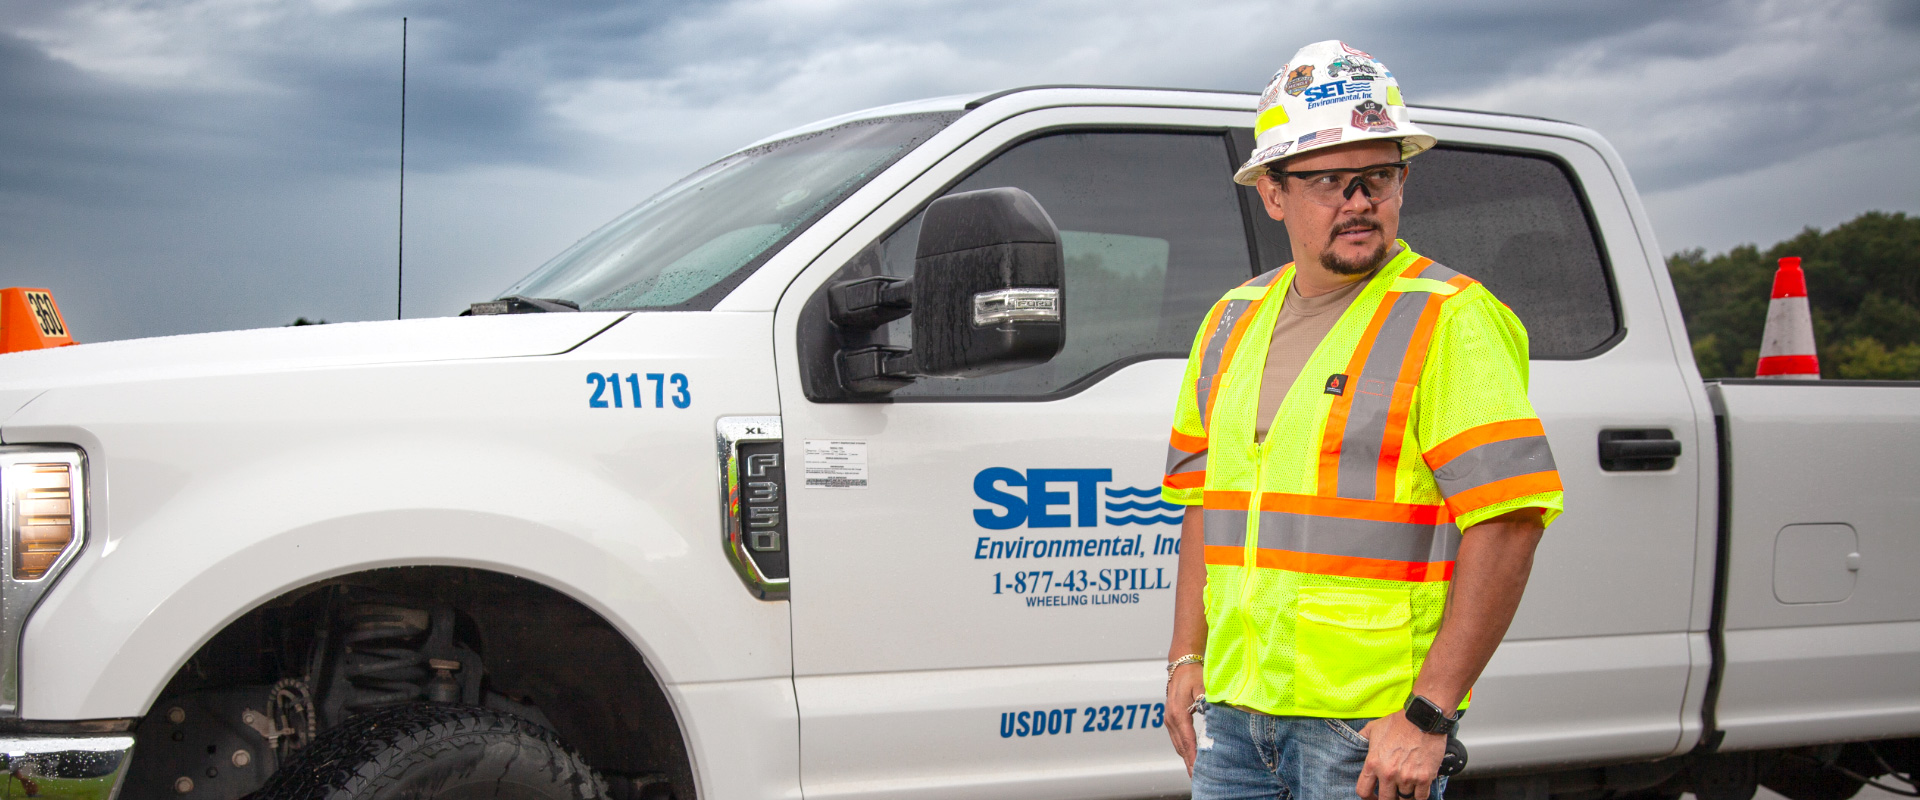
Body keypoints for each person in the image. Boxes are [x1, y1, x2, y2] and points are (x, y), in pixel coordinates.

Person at [1160, 40, 1565, 800]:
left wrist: (1429, 714)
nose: (1358, 200)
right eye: (1328, 182)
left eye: (1378, 177)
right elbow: (1201, 505)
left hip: (1367, 730)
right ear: (1273, 193)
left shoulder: (1449, 319)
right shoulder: (1231, 321)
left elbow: (1509, 519)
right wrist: (1187, 657)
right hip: (1238, 717)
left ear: (1401, 182)